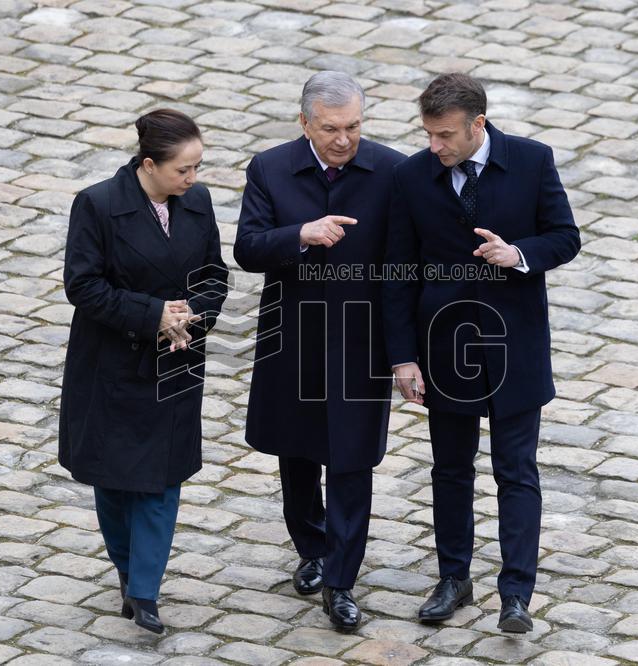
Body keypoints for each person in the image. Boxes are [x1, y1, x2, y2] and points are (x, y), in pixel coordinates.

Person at [383, 73, 580, 633]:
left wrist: (518, 253)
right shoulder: (410, 177)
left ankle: (516, 593)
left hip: (515, 345)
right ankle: (453, 579)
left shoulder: (533, 161)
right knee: (450, 470)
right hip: (445, 348)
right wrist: (402, 356)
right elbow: (398, 273)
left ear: (478, 125)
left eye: (444, 135)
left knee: (516, 472)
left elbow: (565, 237)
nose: (434, 146)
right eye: (428, 134)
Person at [234, 71, 405, 632]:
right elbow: (248, 250)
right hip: (295, 337)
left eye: (353, 126)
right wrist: (300, 235)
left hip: (362, 338)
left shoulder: (393, 170)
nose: (343, 139)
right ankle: (311, 544)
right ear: (304, 122)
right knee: (299, 451)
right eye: (331, 128)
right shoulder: (270, 168)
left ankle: (340, 579)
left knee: (353, 460)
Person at [59, 109, 228, 634]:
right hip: (111, 365)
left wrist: (188, 318)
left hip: (174, 363)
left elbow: (215, 276)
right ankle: (129, 573)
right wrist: (152, 313)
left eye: (197, 168)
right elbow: (83, 286)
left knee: (160, 481)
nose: (193, 180)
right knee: (112, 481)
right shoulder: (98, 205)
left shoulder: (196, 204)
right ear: (149, 165)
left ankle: (145, 592)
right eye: (184, 170)